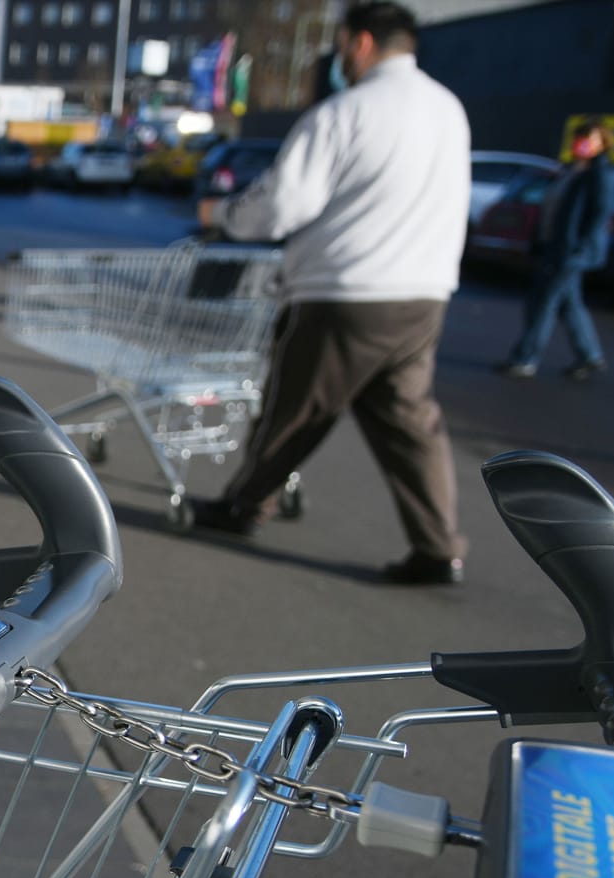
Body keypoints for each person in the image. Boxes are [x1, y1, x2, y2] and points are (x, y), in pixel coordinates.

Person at [193, 1, 471, 585]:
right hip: (423, 292)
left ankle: (244, 506)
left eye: (341, 43)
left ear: (361, 42)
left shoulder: (346, 111)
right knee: (408, 422)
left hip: (347, 290)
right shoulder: (449, 109)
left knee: (294, 409)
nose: (338, 56)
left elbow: (285, 205)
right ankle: (438, 546)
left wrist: (224, 215)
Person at [498, 119, 614, 380]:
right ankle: (590, 356)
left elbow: (600, 213)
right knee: (570, 304)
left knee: (543, 302)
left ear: (603, 143)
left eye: (589, 138)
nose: (582, 143)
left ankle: (525, 359)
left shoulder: (602, 172)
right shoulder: (570, 170)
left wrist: (581, 247)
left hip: (570, 251)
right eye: (580, 137)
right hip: (552, 245)